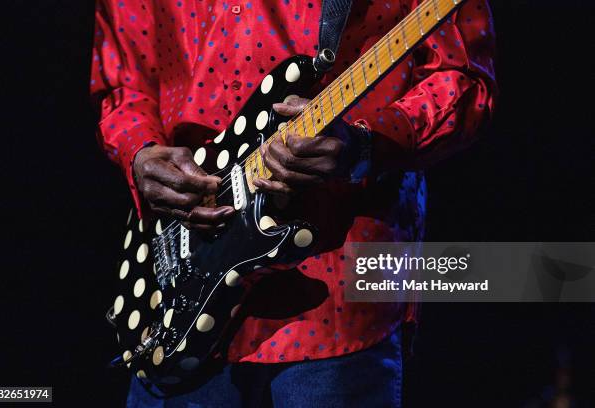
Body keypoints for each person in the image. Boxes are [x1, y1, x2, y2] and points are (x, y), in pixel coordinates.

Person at [91, 0, 497, 406]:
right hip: (174, 273)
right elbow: (125, 74)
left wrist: (364, 144)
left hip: (335, 291)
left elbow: (460, 77)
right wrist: (138, 150)